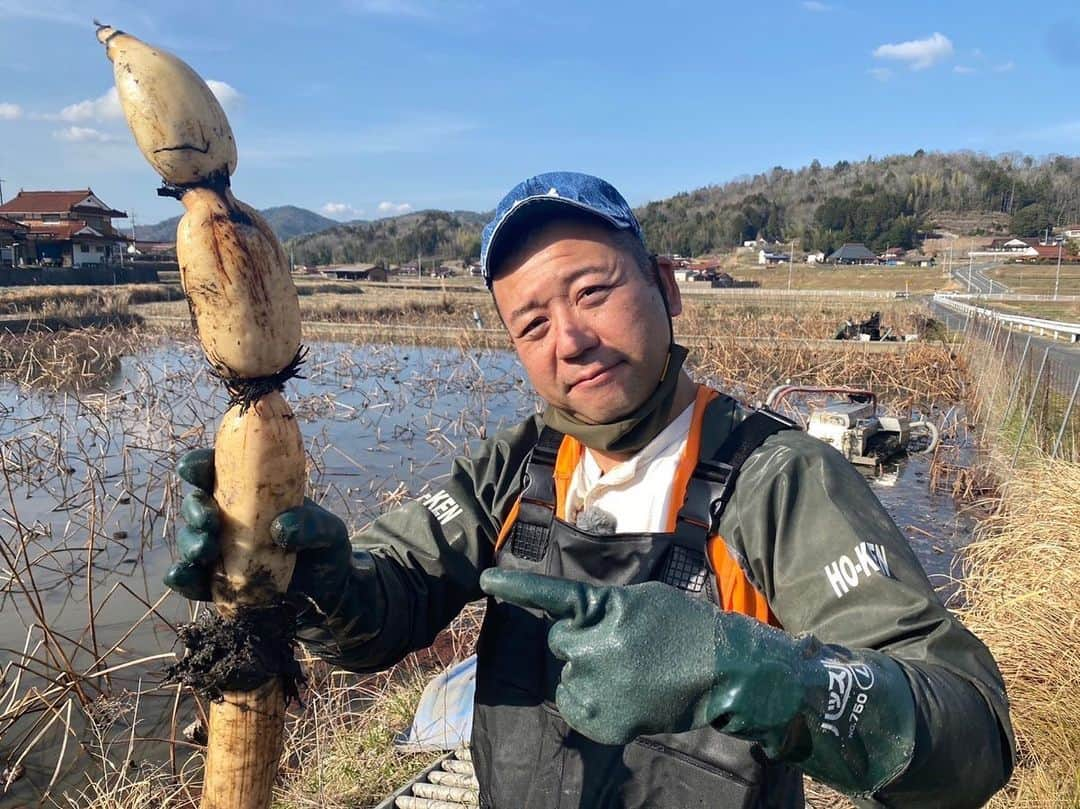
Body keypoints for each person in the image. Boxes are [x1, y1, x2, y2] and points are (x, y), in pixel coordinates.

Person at [168, 172, 1015, 808]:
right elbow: (383, 607)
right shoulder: (516, 468)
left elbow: (971, 731)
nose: (570, 338)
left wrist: (753, 669)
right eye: (532, 322)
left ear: (666, 286)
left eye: (593, 291)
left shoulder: (779, 480)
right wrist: (312, 577)